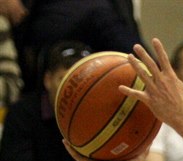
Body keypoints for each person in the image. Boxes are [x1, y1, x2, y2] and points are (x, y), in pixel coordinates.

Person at [10, 0, 145, 92]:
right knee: (101, 18)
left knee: (107, 21)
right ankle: (154, 75)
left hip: (105, 13)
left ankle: (153, 76)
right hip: (48, 13)